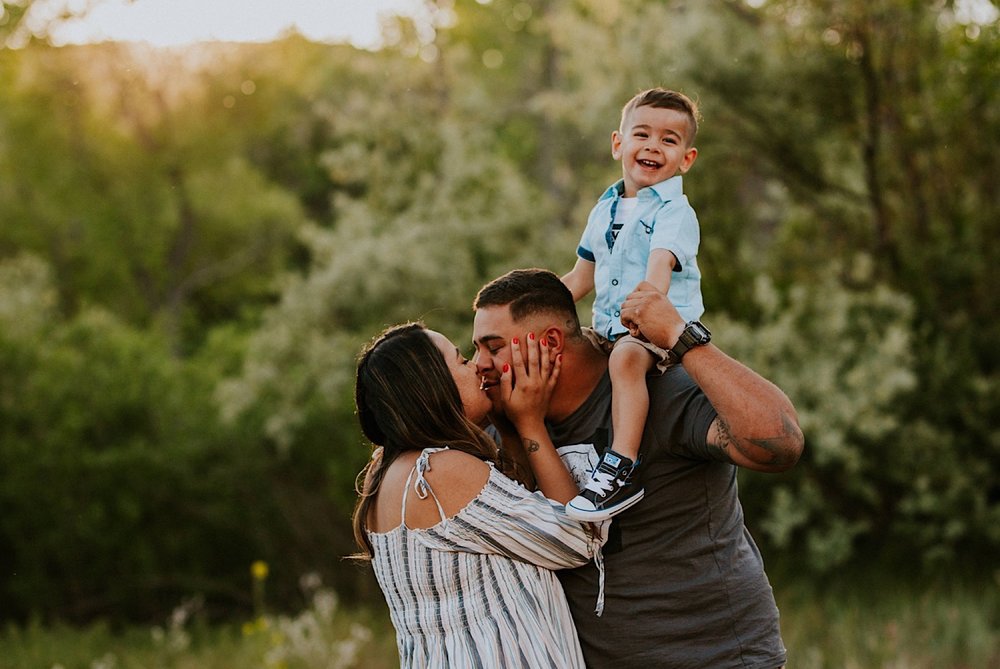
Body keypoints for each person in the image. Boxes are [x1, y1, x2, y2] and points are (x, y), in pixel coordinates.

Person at [473, 269, 803, 668]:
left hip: (720, 658)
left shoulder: (656, 391)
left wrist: (682, 337)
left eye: (493, 347)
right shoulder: (503, 425)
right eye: (475, 349)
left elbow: (780, 443)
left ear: (551, 342)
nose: (480, 364)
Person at [351, 321, 605, 668]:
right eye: (460, 359)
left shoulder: (385, 473)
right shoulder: (439, 473)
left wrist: (505, 425)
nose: (476, 366)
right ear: (433, 387)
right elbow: (579, 539)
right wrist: (531, 423)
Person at [561, 87, 704, 520]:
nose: (653, 146)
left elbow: (658, 274)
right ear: (618, 143)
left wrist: (639, 318)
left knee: (625, 357)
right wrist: (528, 311)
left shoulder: (675, 212)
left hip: (654, 332)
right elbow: (579, 279)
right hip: (606, 329)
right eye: (642, 134)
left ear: (686, 158)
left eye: (668, 139)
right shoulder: (603, 210)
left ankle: (620, 468)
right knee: (559, 353)